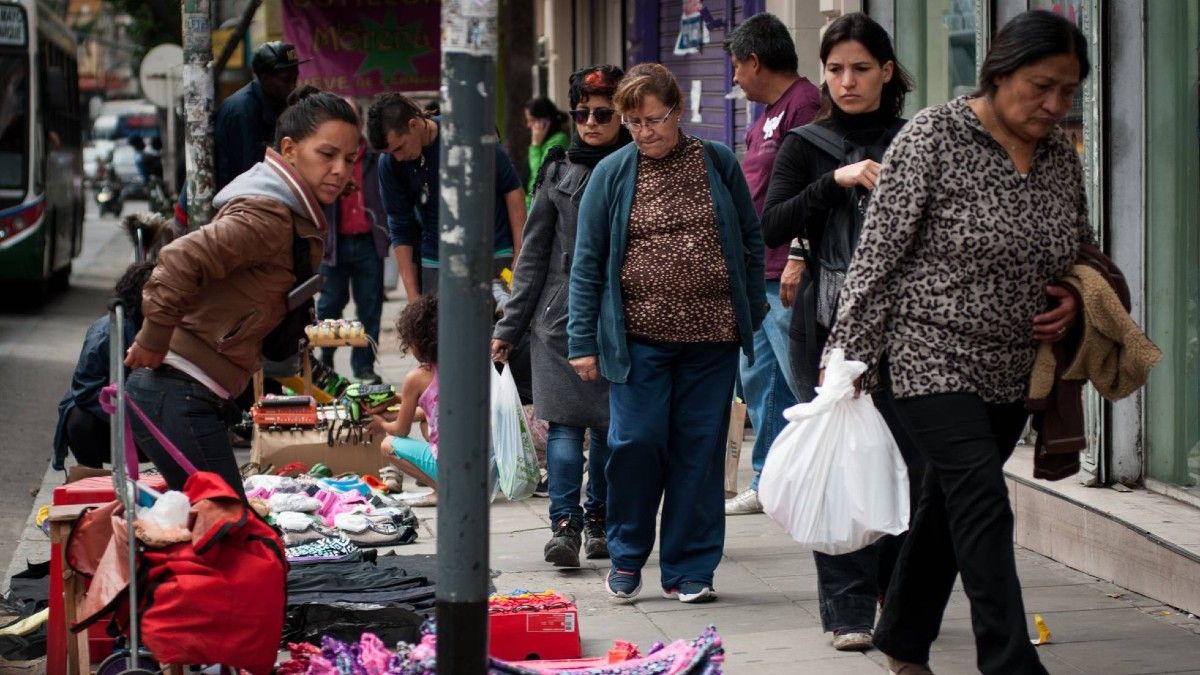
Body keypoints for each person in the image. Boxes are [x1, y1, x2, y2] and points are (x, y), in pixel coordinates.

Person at [822, 11, 1091, 674]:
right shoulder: (933, 137)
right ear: (999, 74)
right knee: (983, 502)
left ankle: (903, 640)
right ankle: (1009, 661)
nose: (1054, 104)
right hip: (926, 355)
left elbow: (1077, 248)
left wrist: (1074, 297)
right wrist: (845, 360)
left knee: (949, 507)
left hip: (1012, 366)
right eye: (1040, 86)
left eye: (1068, 90)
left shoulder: (1058, 155)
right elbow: (877, 255)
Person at [568, 63, 766, 604]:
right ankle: (627, 555)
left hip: (713, 339)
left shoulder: (717, 162)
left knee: (698, 452)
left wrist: (751, 309)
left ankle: (690, 569)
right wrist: (582, 341)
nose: (644, 131)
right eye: (632, 122)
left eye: (653, 120)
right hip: (637, 342)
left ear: (678, 112)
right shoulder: (612, 173)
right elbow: (587, 263)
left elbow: (749, 237)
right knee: (635, 443)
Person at [124, 87, 361, 497]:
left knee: (214, 529)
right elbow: (180, 257)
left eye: (349, 160)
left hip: (187, 391)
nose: (341, 170)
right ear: (289, 150)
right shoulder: (268, 214)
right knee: (229, 528)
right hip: (177, 388)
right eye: (327, 155)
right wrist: (153, 337)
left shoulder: (286, 208)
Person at [492, 65, 632, 569]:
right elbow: (532, 254)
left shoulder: (641, 166)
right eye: (582, 113)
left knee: (613, 428)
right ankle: (567, 527)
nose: (591, 122)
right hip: (557, 321)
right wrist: (508, 328)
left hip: (622, 322)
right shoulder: (555, 169)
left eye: (603, 113)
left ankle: (597, 522)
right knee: (569, 428)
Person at [721, 12, 822, 517]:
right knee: (760, 377)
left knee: (802, 380)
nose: (735, 80)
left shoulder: (804, 106)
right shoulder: (767, 115)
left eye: (737, 67)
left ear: (755, 61)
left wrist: (799, 256)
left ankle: (820, 476)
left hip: (787, 270)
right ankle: (769, 479)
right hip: (757, 271)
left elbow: (811, 189)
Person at [367, 93, 526, 301]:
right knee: (437, 331)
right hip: (436, 259)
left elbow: (512, 189)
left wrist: (520, 253)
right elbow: (400, 226)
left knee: (499, 331)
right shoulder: (389, 164)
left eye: (399, 147)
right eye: (390, 153)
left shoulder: (467, 134)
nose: (398, 157)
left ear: (414, 125)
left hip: (493, 251)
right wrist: (413, 297)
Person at [53, 262, 155, 470]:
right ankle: (93, 479)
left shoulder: (161, 327)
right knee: (79, 419)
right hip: (109, 423)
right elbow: (85, 391)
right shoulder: (106, 334)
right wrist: (132, 413)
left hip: (149, 423)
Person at [317, 97, 389, 384]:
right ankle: (323, 360)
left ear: (360, 122)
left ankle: (363, 367)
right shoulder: (325, 157)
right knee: (329, 306)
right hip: (334, 243)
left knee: (369, 308)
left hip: (369, 242)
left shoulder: (375, 157)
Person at [373, 294, 440, 508]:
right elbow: (435, 407)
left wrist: (380, 422)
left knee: (388, 445)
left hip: (451, 465)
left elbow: (399, 431)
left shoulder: (417, 377)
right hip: (480, 465)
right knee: (424, 423)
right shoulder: (462, 364)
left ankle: (442, 489)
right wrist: (399, 401)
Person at [214, 41, 308, 192]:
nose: (292, 86)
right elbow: (252, 173)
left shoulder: (279, 103)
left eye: (294, 79)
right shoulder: (243, 111)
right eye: (286, 80)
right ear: (265, 79)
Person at [523, 97, 570, 208]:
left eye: (533, 120)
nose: (528, 125)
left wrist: (535, 146)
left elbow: (539, 180)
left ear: (546, 121)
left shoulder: (558, 140)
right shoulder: (544, 142)